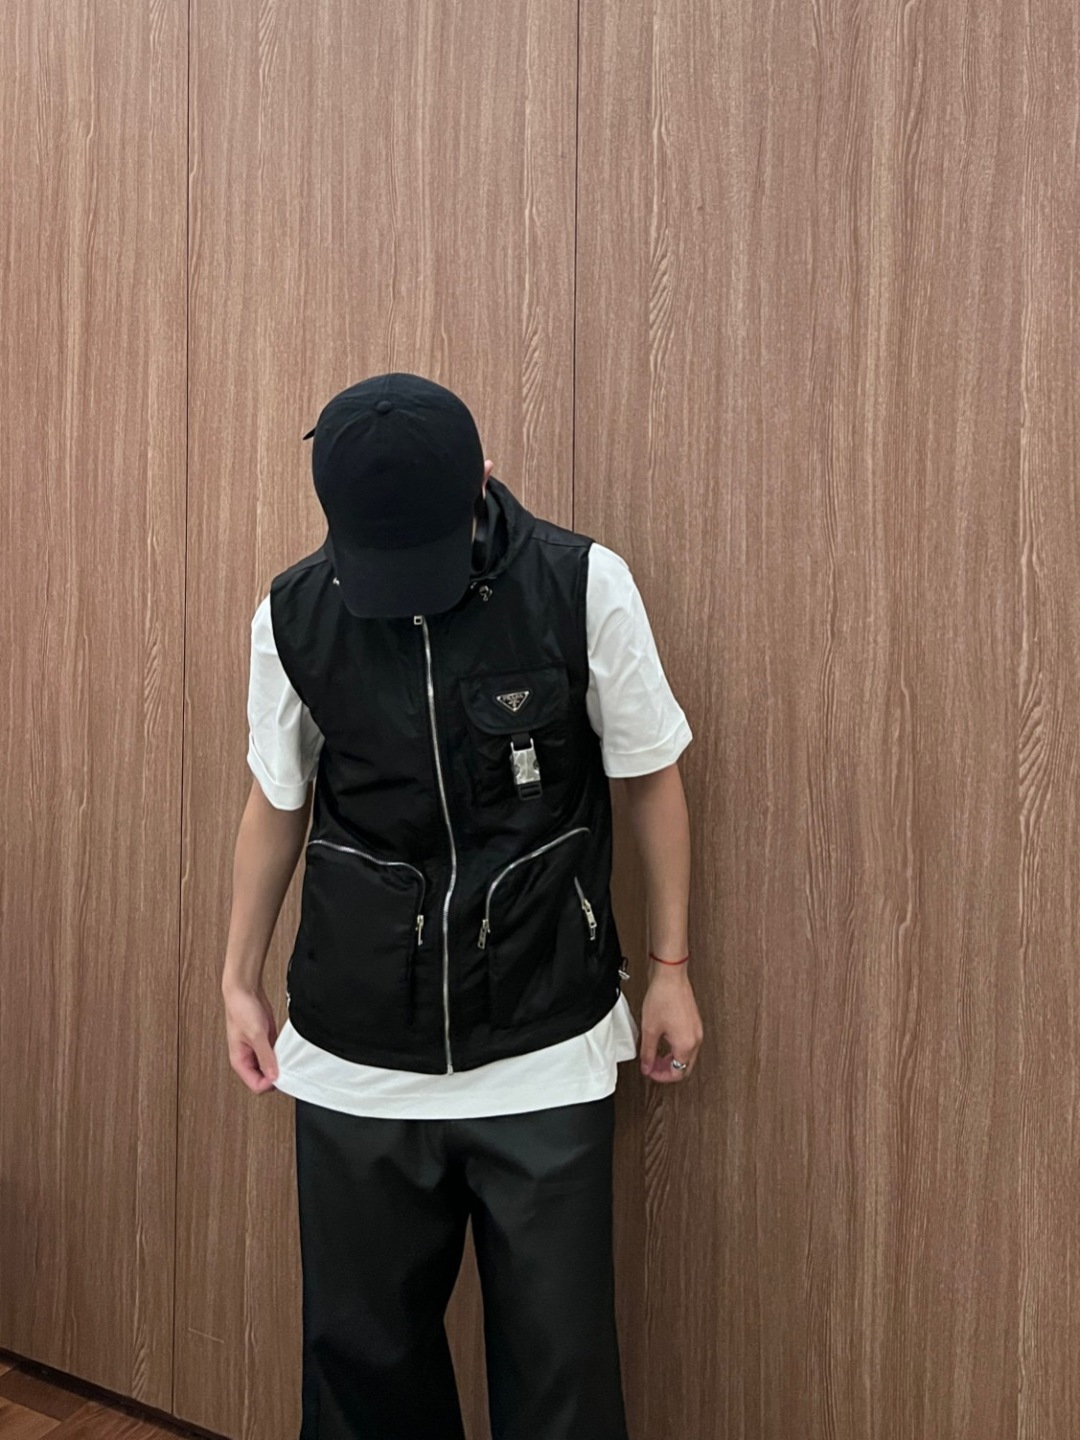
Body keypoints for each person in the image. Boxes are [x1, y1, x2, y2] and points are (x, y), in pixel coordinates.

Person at [221, 372, 704, 1440]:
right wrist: (237, 975)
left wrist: (671, 969)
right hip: (354, 1052)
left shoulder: (580, 584)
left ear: (484, 480)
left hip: (545, 1042)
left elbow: (650, 773)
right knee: (361, 1385)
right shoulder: (292, 613)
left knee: (563, 1390)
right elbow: (277, 798)